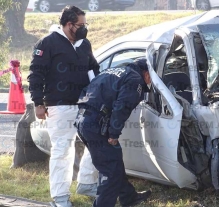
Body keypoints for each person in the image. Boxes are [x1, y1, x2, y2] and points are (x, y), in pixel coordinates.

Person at [27, 5, 100, 207]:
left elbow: (93, 69)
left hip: (85, 105)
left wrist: (97, 94)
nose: (85, 28)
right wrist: (38, 103)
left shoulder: (84, 44)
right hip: (58, 106)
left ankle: (86, 182)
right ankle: (60, 197)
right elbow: (35, 74)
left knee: (95, 143)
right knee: (62, 150)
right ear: (69, 25)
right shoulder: (48, 43)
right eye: (81, 25)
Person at [74, 58, 152, 207]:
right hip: (97, 125)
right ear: (146, 73)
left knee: (113, 160)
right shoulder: (135, 80)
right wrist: (113, 133)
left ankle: (129, 197)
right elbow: (122, 107)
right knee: (111, 172)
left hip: (84, 121)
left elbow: (86, 92)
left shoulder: (114, 71)